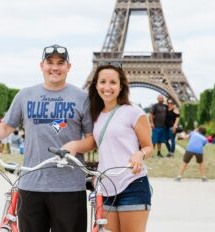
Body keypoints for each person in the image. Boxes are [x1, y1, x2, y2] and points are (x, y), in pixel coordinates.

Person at [0, 44, 93, 232]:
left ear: (69, 66)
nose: (55, 67)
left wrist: (76, 145)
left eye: (60, 63)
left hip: (69, 187)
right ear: (41, 65)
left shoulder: (82, 97)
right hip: (31, 184)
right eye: (50, 62)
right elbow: (5, 127)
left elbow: (91, 140)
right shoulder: (25, 95)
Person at [62, 62, 153, 232]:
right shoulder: (94, 115)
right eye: (102, 82)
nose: (107, 87)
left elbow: (149, 147)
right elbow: (90, 140)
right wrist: (71, 143)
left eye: (113, 82)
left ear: (121, 86)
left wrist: (139, 154)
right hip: (105, 186)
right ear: (96, 85)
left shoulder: (134, 112)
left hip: (132, 183)